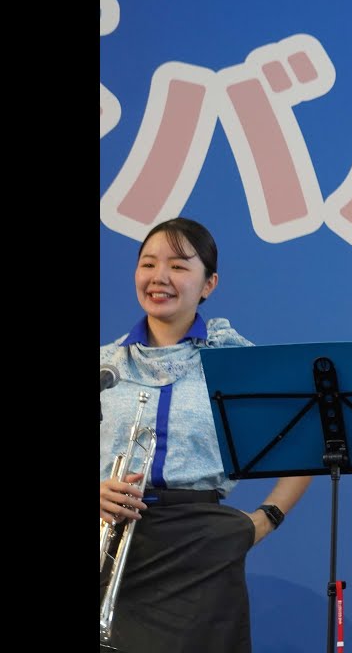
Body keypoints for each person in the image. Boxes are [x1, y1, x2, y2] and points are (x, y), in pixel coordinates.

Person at [99, 217, 312, 653]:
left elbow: (306, 440)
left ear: (209, 283)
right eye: (148, 264)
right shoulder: (107, 363)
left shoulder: (236, 361)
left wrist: (264, 519)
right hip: (111, 546)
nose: (159, 277)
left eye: (178, 266)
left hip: (203, 552)